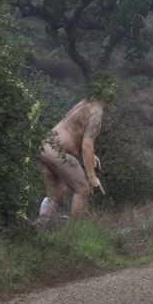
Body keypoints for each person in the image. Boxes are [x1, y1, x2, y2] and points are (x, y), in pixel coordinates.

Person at [35, 77, 114, 224]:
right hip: (59, 150)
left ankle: (41, 227)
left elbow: (75, 131)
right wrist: (92, 177)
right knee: (82, 189)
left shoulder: (85, 103)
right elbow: (86, 145)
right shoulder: (96, 112)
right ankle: (76, 231)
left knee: (55, 194)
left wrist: (92, 155)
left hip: (47, 146)